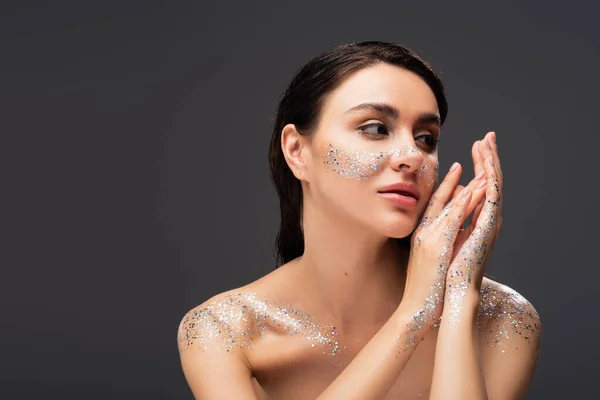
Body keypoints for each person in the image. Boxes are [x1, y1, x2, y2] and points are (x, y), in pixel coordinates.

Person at [177, 41, 542, 399]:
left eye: (426, 138)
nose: (411, 156)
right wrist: (413, 314)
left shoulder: (504, 320)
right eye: (375, 129)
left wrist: (460, 298)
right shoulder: (223, 331)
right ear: (297, 151)